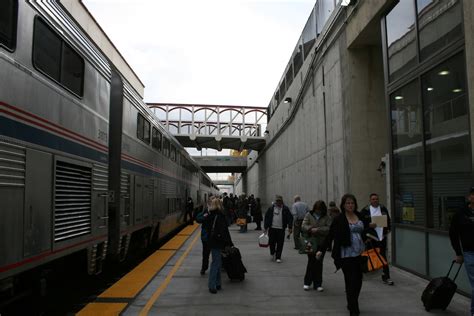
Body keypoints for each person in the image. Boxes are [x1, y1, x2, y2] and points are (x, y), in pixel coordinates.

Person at [317, 194, 367, 316]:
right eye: (348, 203)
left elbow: (367, 230)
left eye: (352, 203)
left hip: (361, 254)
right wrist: (321, 250)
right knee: (350, 282)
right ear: (343, 205)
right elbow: (330, 235)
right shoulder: (339, 219)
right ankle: (354, 310)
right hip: (346, 255)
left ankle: (351, 302)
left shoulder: (360, 216)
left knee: (358, 281)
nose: (350, 205)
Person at [449, 187, 474, 315]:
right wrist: (458, 253)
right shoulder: (460, 214)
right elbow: (453, 234)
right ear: (469, 197)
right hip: (470, 253)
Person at [360, 193, 394, 285]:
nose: (375, 200)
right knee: (370, 256)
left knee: (383, 256)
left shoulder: (383, 208)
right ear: (370, 200)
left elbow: (388, 220)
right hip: (371, 237)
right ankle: (367, 273)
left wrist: (388, 230)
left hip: (381, 237)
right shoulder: (365, 210)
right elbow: (360, 224)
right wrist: (368, 226)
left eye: (376, 199)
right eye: (373, 199)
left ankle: (386, 277)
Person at [202, 197, 233, 294]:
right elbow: (224, 231)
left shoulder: (209, 215)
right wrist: (229, 243)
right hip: (218, 242)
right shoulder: (220, 216)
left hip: (211, 241)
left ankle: (218, 283)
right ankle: (212, 285)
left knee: (218, 262)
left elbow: (205, 226)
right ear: (219, 205)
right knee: (216, 263)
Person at [302, 200, 331, 291]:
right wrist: (310, 229)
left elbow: (329, 228)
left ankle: (318, 283)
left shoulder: (326, 217)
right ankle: (307, 282)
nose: (318, 211)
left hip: (321, 243)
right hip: (310, 242)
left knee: (318, 262)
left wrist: (318, 230)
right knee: (311, 261)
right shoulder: (309, 215)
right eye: (317, 209)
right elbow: (304, 225)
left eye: (320, 210)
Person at [264, 195, 293, 263]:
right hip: (272, 228)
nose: (278, 202)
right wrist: (266, 227)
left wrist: (290, 227)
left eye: (279, 201)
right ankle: (272, 252)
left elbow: (290, 218)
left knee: (280, 243)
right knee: (271, 242)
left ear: (282, 201)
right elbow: (267, 218)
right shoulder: (271, 208)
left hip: (281, 229)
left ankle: (278, 257)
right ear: (275, 201)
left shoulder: (285, 208)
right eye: (277, 201)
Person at [196, 198, 212, 275]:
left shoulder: (217, 212)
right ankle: (204, 268)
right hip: (206, 237)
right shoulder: (206, 211)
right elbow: (198, 218)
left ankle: (220, 266)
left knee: (216, 253)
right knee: (205, 254)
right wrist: (205, 216)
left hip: (214, 236)